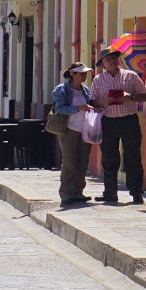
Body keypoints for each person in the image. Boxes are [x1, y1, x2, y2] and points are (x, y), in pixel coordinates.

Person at [90, 49, 146, 204]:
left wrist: (131, 97)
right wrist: (103, 101)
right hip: (108, 122)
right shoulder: (98, 80)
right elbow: (92, 101)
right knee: (109, 158)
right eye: (108, 59)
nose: (112, 61)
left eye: (113, 57)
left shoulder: (131, 76)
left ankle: (136, 193)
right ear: (102, 64)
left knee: (133, 157)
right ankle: (110, 193)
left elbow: (144, 96)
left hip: (129, 121)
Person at [46, 63, 95, 208]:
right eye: (81, 73)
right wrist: (78, 108)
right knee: (69, 162)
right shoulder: (61, 90)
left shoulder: (86, 91)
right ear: (73, 74)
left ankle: (78, 191)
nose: (84, 76)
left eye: (85, 73)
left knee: (82, 162)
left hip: (84, 130)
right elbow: (60, 109)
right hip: (68, 130)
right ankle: (66, 192)